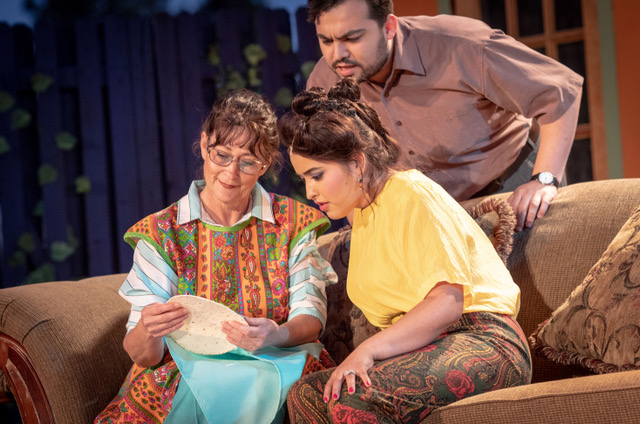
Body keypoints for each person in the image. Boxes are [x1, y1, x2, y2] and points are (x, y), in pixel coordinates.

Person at [279, 78, 532, 422]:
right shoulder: (364, 218)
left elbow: (446, 305)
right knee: (307, 395)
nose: (310, 191)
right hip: (425, 348)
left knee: (352, 397)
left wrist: (366, 352)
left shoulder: (411, 192)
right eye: (304, 179)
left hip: (483, 341)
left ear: (357, 162)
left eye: (317, 175)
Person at [95, 88, 337, 424]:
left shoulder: (294, 224)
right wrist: (150, 329)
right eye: (222, 155)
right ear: (205, 144)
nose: (231, 173)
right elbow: (144, 356)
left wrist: (276, 334)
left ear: (266, 163)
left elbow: (310, 318)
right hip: (188, 371)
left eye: (248, 162)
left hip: (279, 361)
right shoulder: (162, 233)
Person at [305, 0, 583, 231]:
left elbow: (559, 92)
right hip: (430, 214)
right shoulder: (325, 81)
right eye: (325, 41)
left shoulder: (461, 44)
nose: (337, 54)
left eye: (351, 38)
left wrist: (543, 181)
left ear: (389, 27)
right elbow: (337, 160)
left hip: (512, 184)